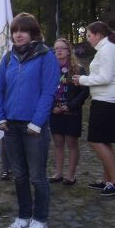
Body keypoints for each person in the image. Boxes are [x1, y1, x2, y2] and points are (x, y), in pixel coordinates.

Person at [0, 13, 60, 228]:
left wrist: (37, 122)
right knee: (19, 175)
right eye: (15, 31)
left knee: (37, 177)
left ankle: (40, 221)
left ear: (33, 32)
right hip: (11, 126)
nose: (17, 35)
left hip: (34, 128)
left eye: (23, 30)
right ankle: (23, 216)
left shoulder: (46, 56)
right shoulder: (8, 58)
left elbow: (48, 92)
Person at [72, 21, 115, 196]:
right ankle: (108, 180)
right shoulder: (107, 49)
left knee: (96, 140)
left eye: (89, 35)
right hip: (105, 99)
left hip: (107, 101)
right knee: (104, 140)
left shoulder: (108, 50)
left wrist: (82, 80)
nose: (88, 39)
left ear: (98, 34)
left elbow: (105, 78)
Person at [48, 38, 89, 185]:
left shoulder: (78, 68)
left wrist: (71, 106)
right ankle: (58, 173)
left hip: (72, 111)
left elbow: (84, 91)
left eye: (62, 48)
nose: (58, 50)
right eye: (56, 48)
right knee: (58, 143)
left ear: (68, 50)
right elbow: (45, 90)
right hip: (55, 111)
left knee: (72, 142)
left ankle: (70, 175)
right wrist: (52, 106)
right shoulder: (49, 69)